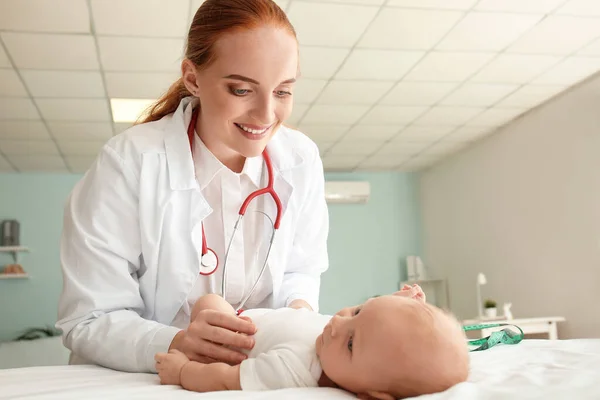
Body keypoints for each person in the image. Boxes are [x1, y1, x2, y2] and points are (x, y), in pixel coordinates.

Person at [55, 0, 329, 373]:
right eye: (241, 90)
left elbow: (301, 270)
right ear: (193, 78)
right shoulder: (130, 162)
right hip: (140, 381)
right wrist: (177, 341)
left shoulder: (300, 160)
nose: (267, 116)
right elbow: (88, 319)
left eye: (282, 91)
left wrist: (298, 322)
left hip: (248, 374)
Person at [155, 284, 470, 399]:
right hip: (257, 315)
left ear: (373, 395)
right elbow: (383, 321)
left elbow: (223, 380)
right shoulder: (348, 339)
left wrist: (182, 371)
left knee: (208, 304)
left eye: (350, 343)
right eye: (357, 311)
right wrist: (405, 300)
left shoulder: (295, 370)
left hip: (230, 332)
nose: (337, 322)